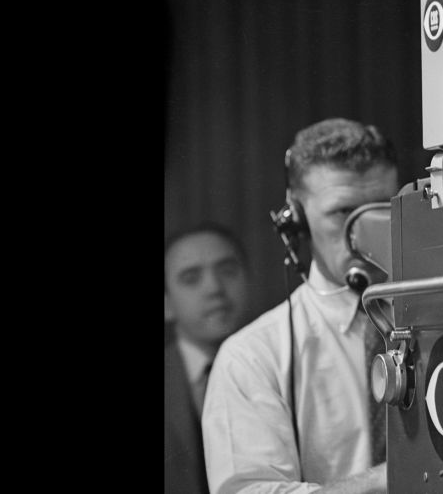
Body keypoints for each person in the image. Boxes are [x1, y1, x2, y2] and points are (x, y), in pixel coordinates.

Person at [203, 118, 399, 494]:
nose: (366, 231)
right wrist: (390, 480)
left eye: (382, 207)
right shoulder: (253, 357)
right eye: (343, 213)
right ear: (296, 217)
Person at [165, 223, 253, 494]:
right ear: (166, 304)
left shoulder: (288, 365)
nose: (214, 288)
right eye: (191, 278)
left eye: (227, 271)